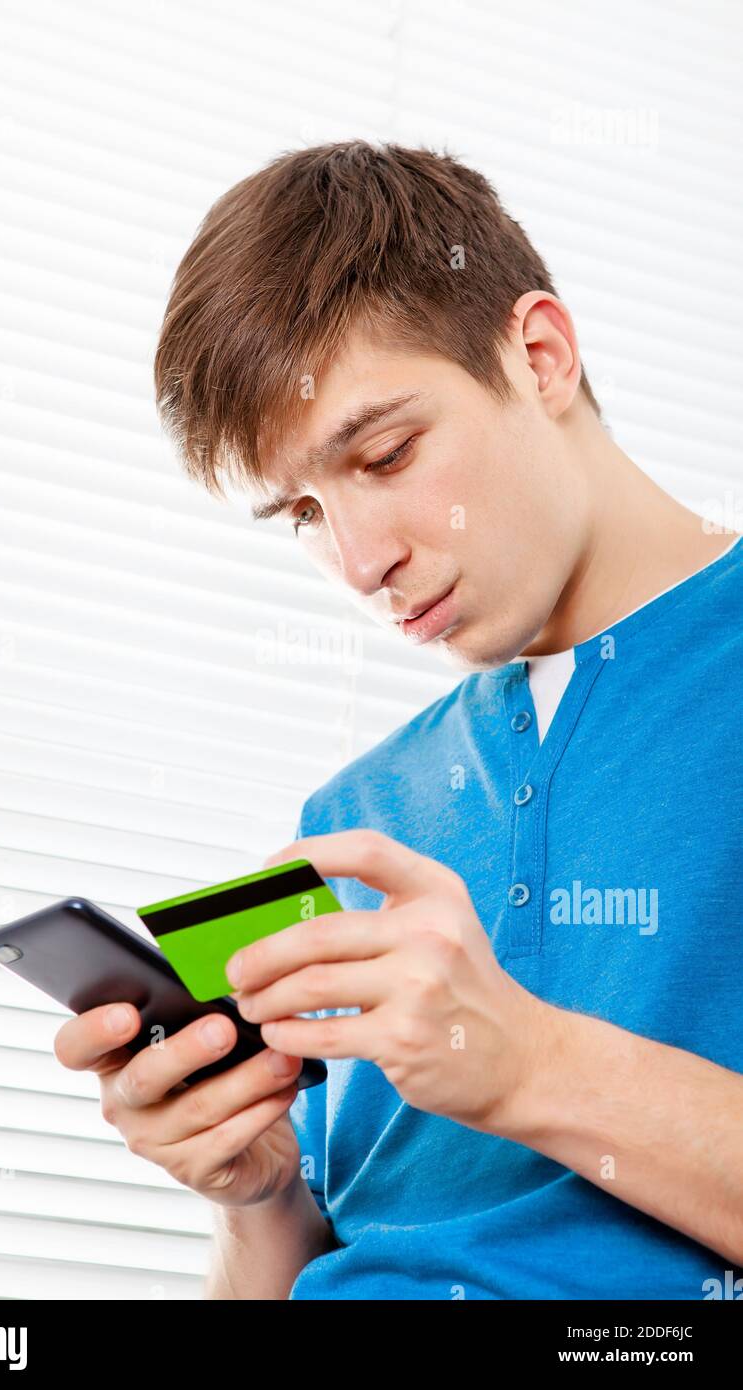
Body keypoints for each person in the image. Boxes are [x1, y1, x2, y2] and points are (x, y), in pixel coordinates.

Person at [54, 141, 742, 1300]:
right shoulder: (356, 817)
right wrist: (258, 1191)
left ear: (539, 356)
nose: (361, 561)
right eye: (303, 513)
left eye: (388, 453)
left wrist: (528, 1065)